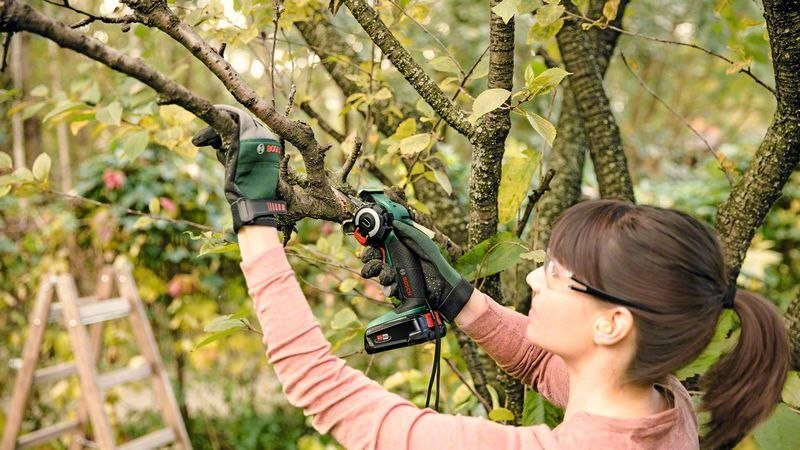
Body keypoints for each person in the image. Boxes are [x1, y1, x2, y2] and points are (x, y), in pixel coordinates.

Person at [194, 107, 790, 449]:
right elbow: (542, 365)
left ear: (612, 323)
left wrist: (256, 223)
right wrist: (455, 296)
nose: (534, 283)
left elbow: (323, 391)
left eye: (558, 276)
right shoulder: (662, 401)